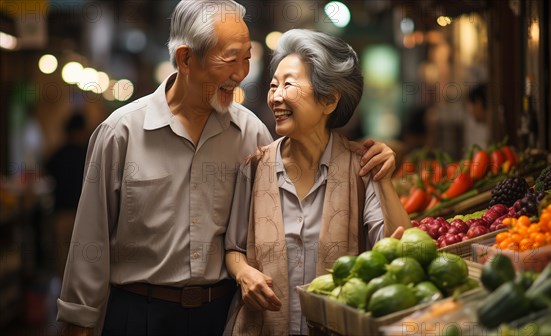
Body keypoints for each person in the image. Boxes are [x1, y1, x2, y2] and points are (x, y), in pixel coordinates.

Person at [57, 1, 396, 335]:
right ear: (186, 59)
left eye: (247, 58)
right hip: (139, 312)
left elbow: (245, 240)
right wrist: (79, 323)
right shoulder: (121, 133)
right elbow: (91, 239)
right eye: (231, 58)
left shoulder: (251, 136)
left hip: (217, 313)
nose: (241, 74)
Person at [224, 29, 411, 335]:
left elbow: (398, 250)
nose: (276, 96)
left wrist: (385, 181)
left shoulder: (360, 166)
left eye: (288, 84)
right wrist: (244, 273)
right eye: (273, 85)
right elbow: (234, 248)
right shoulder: (255, 166)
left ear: (329, 100)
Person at [46, 112, 88, 279]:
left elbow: (48, 174)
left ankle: (63, 299)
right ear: (81, 130)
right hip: (83, 216)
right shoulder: (88, 154)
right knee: (82, 262)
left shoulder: (58, 154)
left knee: (62, 262)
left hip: (60, 215)